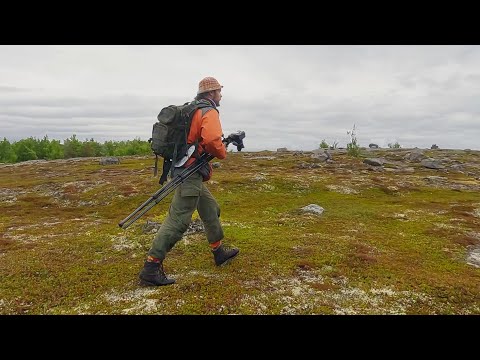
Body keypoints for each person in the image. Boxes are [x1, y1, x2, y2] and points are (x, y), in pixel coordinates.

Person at [139, 76, 240, 286]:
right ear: (211, 93)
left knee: (210, 209)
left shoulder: (191, 109)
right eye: (219, 91)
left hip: (183, 169)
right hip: (189, 173)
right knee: (178, 221)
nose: (221, 95)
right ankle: (151, 267)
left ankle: (218, 252)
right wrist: (222, 153)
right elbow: (212, 141)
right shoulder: (208, 111)